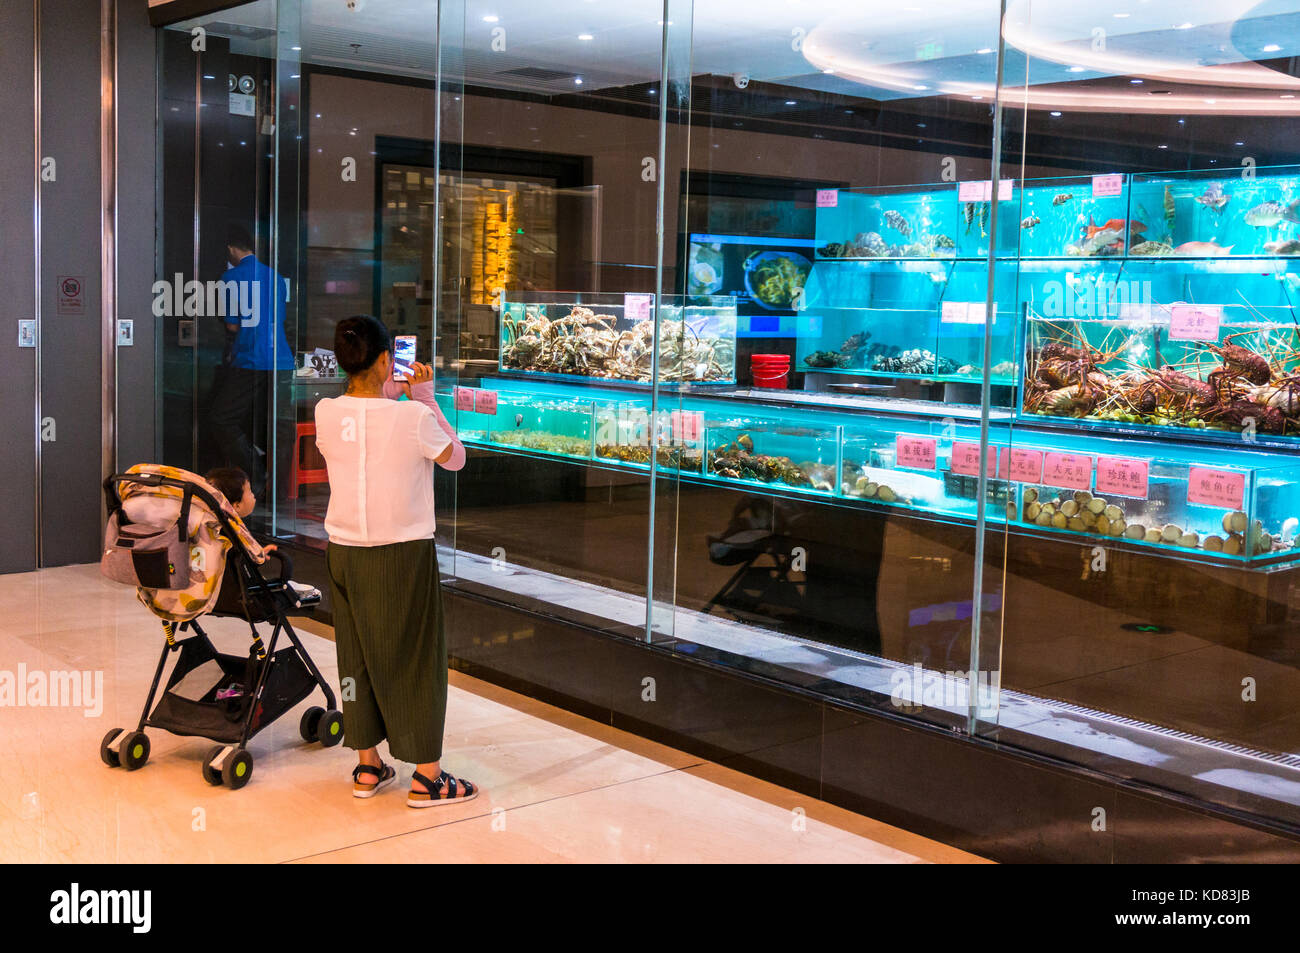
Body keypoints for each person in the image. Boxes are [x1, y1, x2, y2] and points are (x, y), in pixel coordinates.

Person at [313, 315, 476, 805]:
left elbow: (365, 422)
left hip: (343, 549)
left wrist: (392, 394)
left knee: (355, 655)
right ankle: (428, 777)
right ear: (387, 359)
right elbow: (456, 458)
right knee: (417, 659)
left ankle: (368, 766)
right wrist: (424, 398)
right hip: (402, 552)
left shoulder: (325, 412)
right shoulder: (413, 418)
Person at [207, 224, 295, 505]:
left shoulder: (231, 277)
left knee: (221, 418)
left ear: (231, 249)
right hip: (280, 360)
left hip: (250, 359)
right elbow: (279, 319)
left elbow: (233, 325)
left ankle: (255, 473)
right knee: (276, 424)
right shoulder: (275, 277)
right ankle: (276, 490)